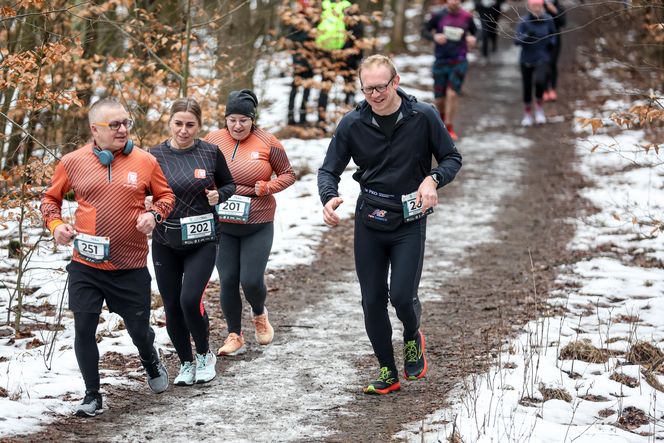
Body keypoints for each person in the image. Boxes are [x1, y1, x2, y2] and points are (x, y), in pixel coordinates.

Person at [317, 55, 462, 395]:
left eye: (381, 87)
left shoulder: (422, 115)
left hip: (409, 218)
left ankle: (412, 336)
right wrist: (329, 196)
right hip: (370, 216)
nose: (376, 95)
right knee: (371, 300)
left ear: (396, 82)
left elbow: (452, 158)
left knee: (401, 296)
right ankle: (387, 371)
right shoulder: (352, 123)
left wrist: (433, 179)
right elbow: (328, 169)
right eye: (368, 89)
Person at [40, 98, 175, 417]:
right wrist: (56, 225)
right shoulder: (72, 162)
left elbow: (166, 196)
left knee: (139, 331)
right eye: (114, 125)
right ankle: (92, 394)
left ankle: (149, 356)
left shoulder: (145, 161)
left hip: (129, 267)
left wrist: (154, 215)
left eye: (126, 123)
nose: (123, 129)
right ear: (94, 130)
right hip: (85, 265)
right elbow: (49, 199)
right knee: (84, 328)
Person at [148, 98, 235, 386]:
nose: (183, 130)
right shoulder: (154, 155)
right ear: (169, 122)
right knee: (171, 305)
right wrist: (146, 200)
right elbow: (140, 191)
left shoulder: (210, 152)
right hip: (165, 239)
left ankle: (203, 354)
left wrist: (219, 196)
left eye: (190, 125)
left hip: (202, 239)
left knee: (189, 300)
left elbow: (229, 184)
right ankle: (185, 362)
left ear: (198, 125)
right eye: (178, 124)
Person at [205, 89, 296, 356]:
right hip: (224, 224)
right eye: (232, 119)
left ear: (252, 119)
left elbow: (288, 175)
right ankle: (235, 335)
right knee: (228, 279)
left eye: (243, 120)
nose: (237, 125)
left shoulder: (269, 143)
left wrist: (267, 187)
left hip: (258, 222)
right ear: (225, 118)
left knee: (251, 280)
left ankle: (259, 314)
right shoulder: (212, 140)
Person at [422, 0, 477, 141]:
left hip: (459, 60)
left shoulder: (466, 16)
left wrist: (472, 38)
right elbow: (424, 31)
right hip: (441, 61)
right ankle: (441, 123)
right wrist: (434, 37)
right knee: (439, 99)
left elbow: (476, 32)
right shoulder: (438, 15)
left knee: (452, 94)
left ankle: (449, 126)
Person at [514, 0, 556, 126]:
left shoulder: (548, 19)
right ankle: (527, 113)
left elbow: (554, 34)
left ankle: (539, 110)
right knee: (527, 87)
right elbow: (516, 41)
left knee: (540, 82)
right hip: (526, 59)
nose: (536, 8)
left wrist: (551, 43)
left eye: (539, 5)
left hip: (542, 57)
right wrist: (526, 36)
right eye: (534, 6)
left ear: (542, 6)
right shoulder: (524, 21)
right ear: (529, 7)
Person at [285, 0, 316, 125]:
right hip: (298, 60)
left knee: (307, 88)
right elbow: (292, 38)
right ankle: (291, 116)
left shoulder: (313, 20)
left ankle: (303, 116)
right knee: (295, 88)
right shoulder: (296, 20)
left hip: (310, 60)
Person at [543, 0, 566, 101]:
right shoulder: (538, 5)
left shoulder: (559, 7)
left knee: (552, 64)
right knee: (543, 64)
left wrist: (555, 11)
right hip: (541, 40)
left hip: (555, 39)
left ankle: (552, 88)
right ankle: (544, 89)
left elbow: (563, 23)